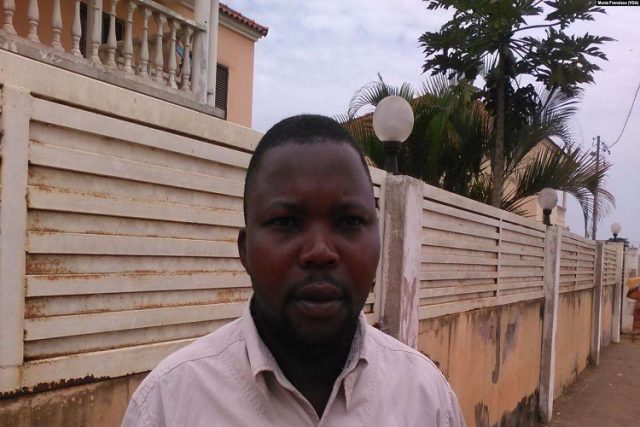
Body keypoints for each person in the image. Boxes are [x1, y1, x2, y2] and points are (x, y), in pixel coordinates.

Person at [121, 115, 465, 426]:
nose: (320, 252)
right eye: (286, 222)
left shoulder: (426, 400)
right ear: (245, 251)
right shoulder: (168, 405)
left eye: (348, 221)